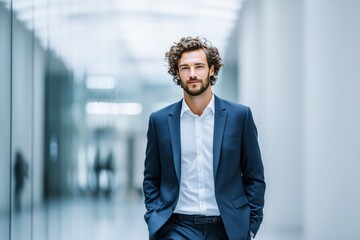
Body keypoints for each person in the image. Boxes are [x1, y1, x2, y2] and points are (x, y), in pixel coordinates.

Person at [143, 36, 265, 240]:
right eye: (184, 68)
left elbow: (254, 177)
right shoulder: (160, 121)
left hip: (227, 228)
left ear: (212, 69)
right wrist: (154, 217)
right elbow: (152, 177)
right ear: (177, 73)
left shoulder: (239, 116)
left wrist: (250, 226)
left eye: (199, 66)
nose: (192, 74)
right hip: (175, 228)